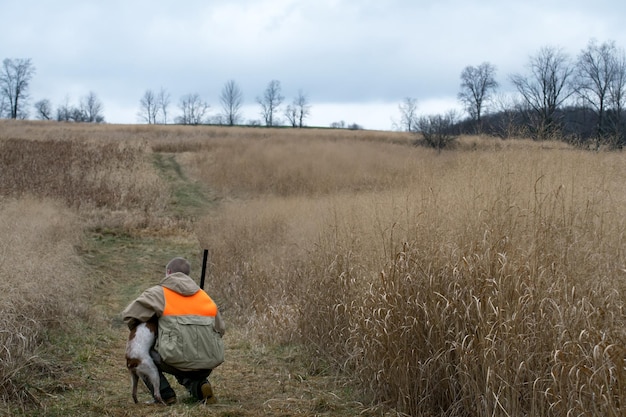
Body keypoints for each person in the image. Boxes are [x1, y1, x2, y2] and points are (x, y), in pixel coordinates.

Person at [122, 257, 225, 405]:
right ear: (187, 275)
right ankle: (200, 386)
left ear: (168, 272)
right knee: (183, 357)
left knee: (142, 353)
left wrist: (153, 324)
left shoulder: (158, 293)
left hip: (175, 360)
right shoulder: (205, 296)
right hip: (207, 364)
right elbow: (221, 329)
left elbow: (129, 316)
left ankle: (165, 395)